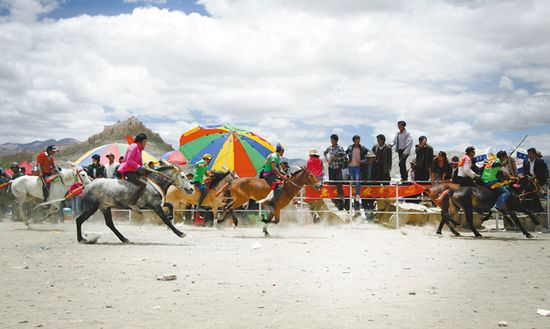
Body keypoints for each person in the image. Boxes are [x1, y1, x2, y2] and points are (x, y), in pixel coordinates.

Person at [117, 134, 148, 212]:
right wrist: (139, 167)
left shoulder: (139, 148)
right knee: (143, 184)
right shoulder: (133, 146)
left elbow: (138, 162)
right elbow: (129, 160)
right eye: (145, 141)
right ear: (140, 141)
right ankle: (132, 202)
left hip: (134, 171)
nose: (145, 143)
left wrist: (143, 167)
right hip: (128, 171)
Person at [522, 147, 548, 212]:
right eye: (528, 154)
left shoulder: (540, 162)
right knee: (525, 191)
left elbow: (545, 171)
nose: (529, 155)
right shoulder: (525, 162)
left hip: (539, 180)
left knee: (534, 192)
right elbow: (525, 172)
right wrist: (526, 176)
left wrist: (539, 178)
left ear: (534, 154)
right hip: (529, 180)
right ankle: (529, 209)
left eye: (530, 154)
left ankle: (538, 208)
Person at [324, 134, 346, 208]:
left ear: (336, 140)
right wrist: (327, 159)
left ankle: (340, 198)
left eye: (332, 140)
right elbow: (325, 153)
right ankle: (332, 198)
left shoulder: (340, 148)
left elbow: (344, 156)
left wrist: (337, 158)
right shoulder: (329, 148)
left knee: (339, 182)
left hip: (338, 167)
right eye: (331, 140)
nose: (331, 141)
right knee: (331, 182)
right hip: (331, 167)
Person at [262, 143, 286, 208]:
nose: (283, 152)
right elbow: (274, 168)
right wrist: (281, 176)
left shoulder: (276, 156)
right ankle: (272, 203)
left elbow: (279, 167)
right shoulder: (275, 157)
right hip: (269, 174)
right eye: (283, 151)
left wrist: (284, 174)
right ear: (281, 151)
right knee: (279, 188)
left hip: (272, 173)